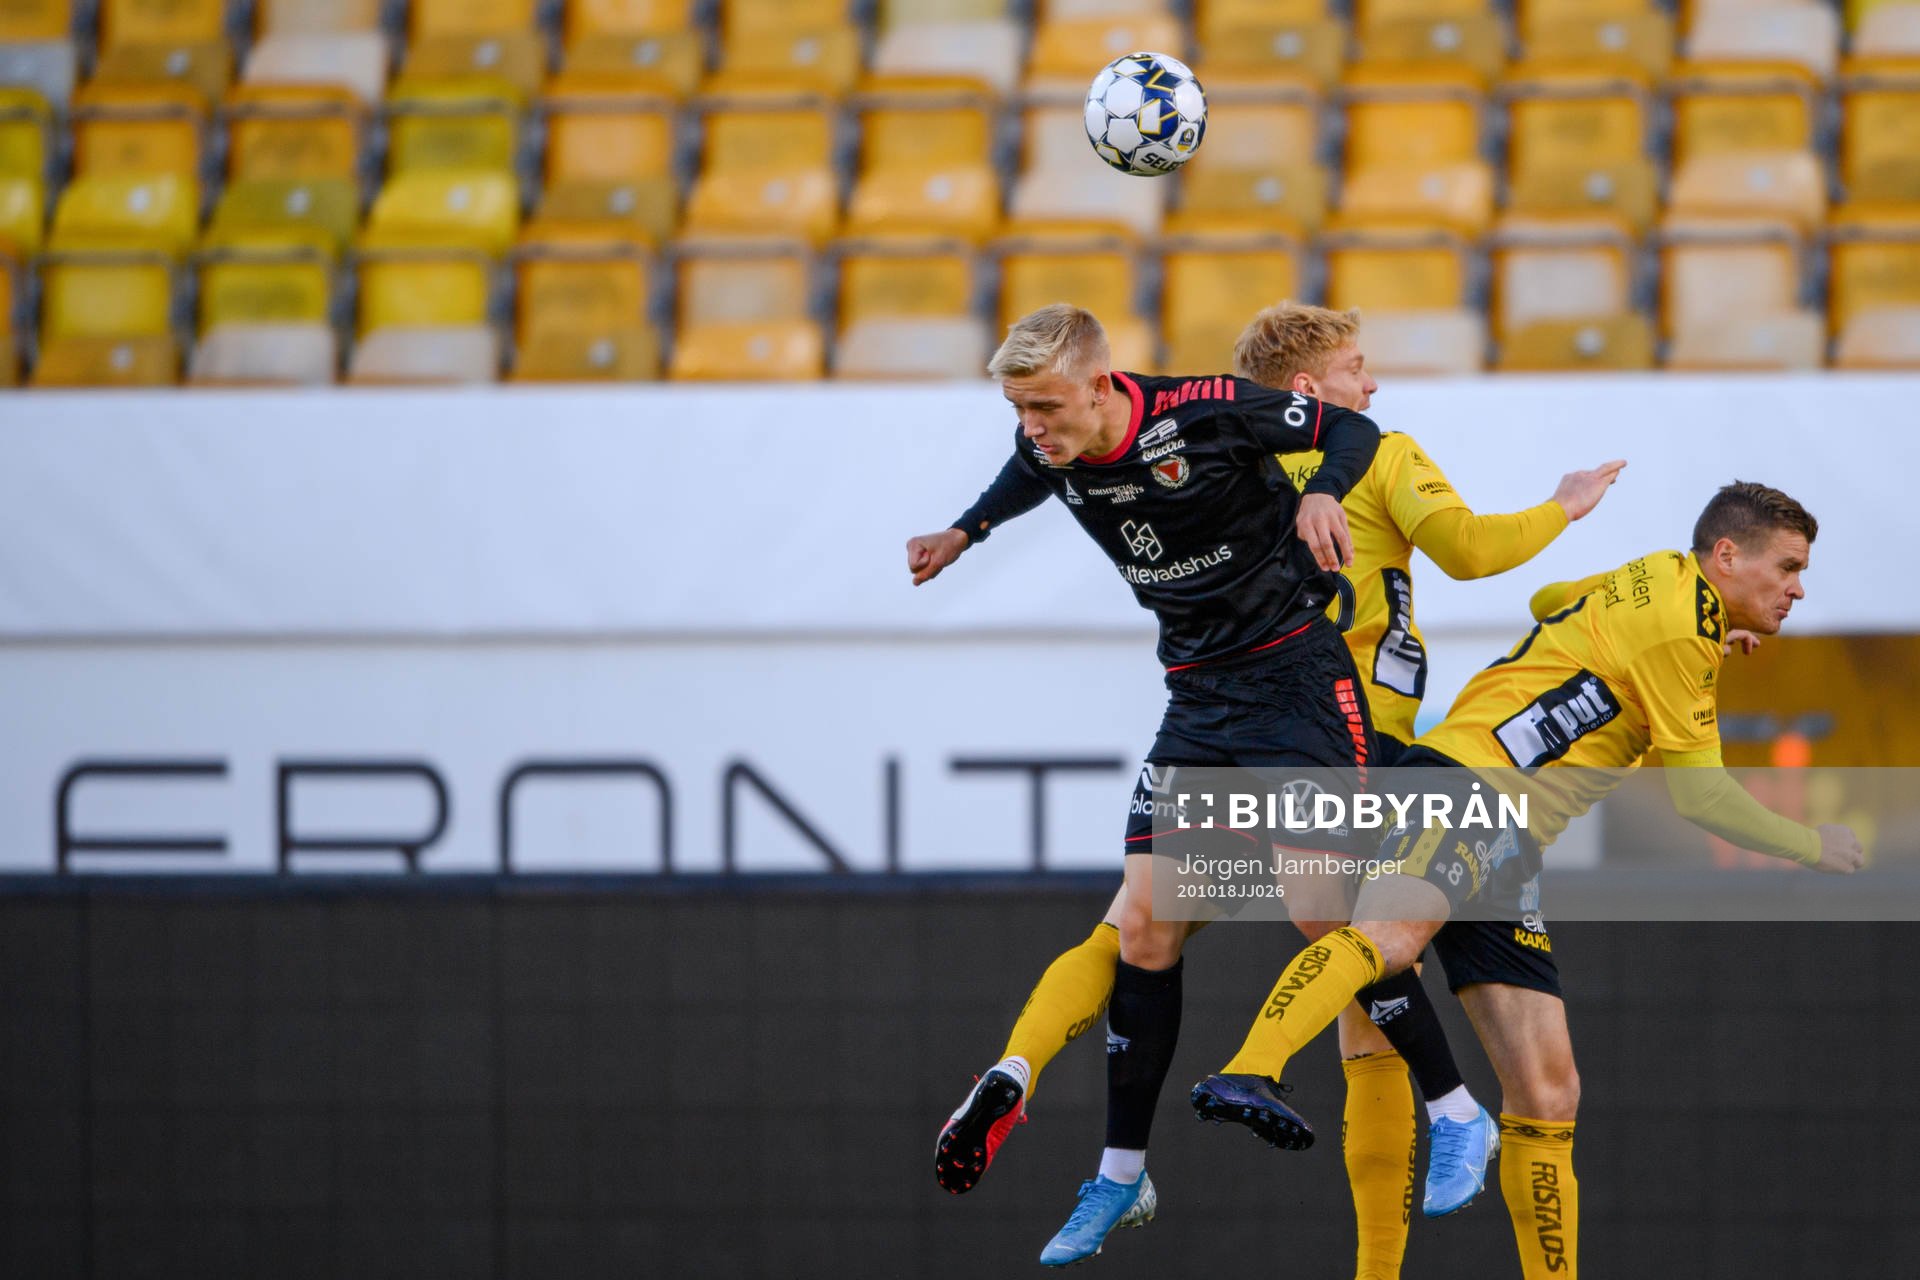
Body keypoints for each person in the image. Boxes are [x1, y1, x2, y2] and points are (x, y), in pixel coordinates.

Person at [925, 302, 1626, 1278]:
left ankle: (1421, 1133)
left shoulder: (1232, 429)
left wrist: (967, 529)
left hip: (1300, 708)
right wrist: (1564, 505)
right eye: (1357, 364)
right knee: (1300, 953)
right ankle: (1413, 1126)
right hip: (1351, 743)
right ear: (1306, 388)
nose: (1371, 382)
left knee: (1245, 945)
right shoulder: (1327, 445)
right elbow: (1467, 548)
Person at [1190, 480, 1866, 1280]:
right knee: (1386, 944)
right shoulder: (1683, 632)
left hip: (1508, 836)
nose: (1797, 588)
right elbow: (1701, 796)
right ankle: (1250, 1069)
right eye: (1787, 566)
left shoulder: (1657, 576)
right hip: (1470, 791)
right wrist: (1809, 844)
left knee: (1549, 1091)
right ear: (1728, 554)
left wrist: (1674, 647)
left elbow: (1552, 597)